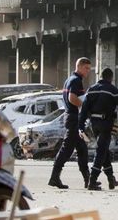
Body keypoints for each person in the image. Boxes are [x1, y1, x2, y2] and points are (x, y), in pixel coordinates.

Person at [79, 68, 118, 190]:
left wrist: (80, 126)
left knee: (104, 150)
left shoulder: (91, 89)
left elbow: (84, 109)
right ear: (111, 77)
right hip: (106, 123)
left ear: (100, 76)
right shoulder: (112, 89)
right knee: (101, 150)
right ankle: (92, 180)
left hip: (94, 123)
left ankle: (111, 179)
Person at [48, 57, 92, 189]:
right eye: (86, 68)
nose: (88, 71)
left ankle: (88, 179)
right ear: (79, 67)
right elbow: (72, 98)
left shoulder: (69, 80)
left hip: (72, 117)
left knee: (82, 150)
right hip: (73, 118)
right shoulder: (76, 80)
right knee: (66, 150)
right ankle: (54, 177)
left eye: (89, 68)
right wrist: (85, 107)